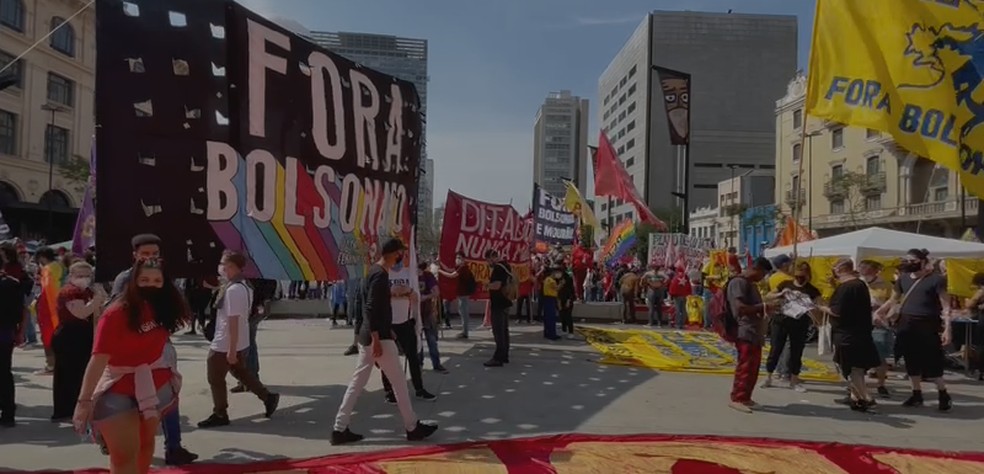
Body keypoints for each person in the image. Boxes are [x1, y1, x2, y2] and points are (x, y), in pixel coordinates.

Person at [72, 258, 188, 474]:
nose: (151, 284)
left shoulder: (165, 308)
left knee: (145, 445)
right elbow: (98, 359)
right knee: (124, 455)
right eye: (144, 279)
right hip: (117, 387)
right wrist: (84, 400)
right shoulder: (115, 314)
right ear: (133, 281)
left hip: (154, 386)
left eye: (156, 280)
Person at [331, 238, 438, 445]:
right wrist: (377, 338)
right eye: (400, 253)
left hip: (373, 336)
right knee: (398, 383)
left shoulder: (374, 271)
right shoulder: (380, 275)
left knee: (358, 383)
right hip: (377, 339)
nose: (401, 256)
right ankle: (412, 427)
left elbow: (375, 308)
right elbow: (370, 308)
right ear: (393, 253)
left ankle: (339, 428)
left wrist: (384, 330)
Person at [108, 234, 198, 465]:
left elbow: (177, 310)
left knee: (167, 397)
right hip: (132, 354)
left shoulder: (166, 278)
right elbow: (118, 317)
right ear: (135, 255)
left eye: (154, 254)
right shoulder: (125, 280)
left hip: (162, 348)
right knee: (131, 403)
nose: (150, 258)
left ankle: (174, 446)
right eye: (145, 254)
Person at [198, 251, 280, 428]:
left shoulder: (234, 290)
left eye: (223, 264)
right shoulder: (242, 285)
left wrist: (231, 350)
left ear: (232, 266)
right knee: (240, 372)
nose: (220, 267)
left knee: (215, 377)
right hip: (238, 341)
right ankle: (267, 397)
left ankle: (220, 413)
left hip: (226, 342)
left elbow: (233, 321)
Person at [876, 248, 952, 411]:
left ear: (923, 261)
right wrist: (880, 311)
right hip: (906, 323)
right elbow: (893, 299)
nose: (909, 263)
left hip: (927, 324)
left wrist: (947, 329)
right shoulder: (902, 279)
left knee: (932, 360)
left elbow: (946, 305)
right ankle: (916, 393)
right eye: (907, 260)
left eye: (913, 261)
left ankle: (943, 393)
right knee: (910, 359)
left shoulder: (936, 280)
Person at [824, 258, 882, 412]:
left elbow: (836, 311)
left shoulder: (847, 287)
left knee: (850, 368)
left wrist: (818, 307)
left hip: (847, 334)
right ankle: (856, 398)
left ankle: (865, 398)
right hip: (860, 332)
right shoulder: (860, 284)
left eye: (835, 267)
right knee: (857, 368)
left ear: (841, 269)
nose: (834, 270)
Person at [51, 262, 106, 421]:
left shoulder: (87, 291)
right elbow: (80, 313)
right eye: (80, 275)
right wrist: (97, 300)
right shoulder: (70, 292)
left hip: (82, 334)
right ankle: (67, 410)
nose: (84, 279)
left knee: (77, 373)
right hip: (69, 335)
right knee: (70, 375)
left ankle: (71, 409)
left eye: (87, 275)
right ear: (71, 276)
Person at [379, 254, 436, 403]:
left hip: (406, 321)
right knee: (389, 359)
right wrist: (397, 293)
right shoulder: (384, 274)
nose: (397, 262)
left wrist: (405, 292)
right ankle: (389, 392)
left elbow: (415, 295)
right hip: (388, 322)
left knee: (414, 358)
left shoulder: (408, 274)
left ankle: (419, 389)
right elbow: (381, 296)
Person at [762, 261, 820, 393]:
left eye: (802, 276)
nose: (799, 279)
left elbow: (818, 306)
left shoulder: (812, 290)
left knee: (796, 351)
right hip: (781, 320)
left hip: (800, 323)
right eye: (797, 276)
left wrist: (810, 304)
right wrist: (780, 294)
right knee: (775, 349)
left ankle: (794, 380)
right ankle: (768, 377)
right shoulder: (785, 284)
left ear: (808, 275)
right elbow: (768, 297)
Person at [726, 257, 774, 413]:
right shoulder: (739, 283)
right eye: (763, 274)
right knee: (745, 366)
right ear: (756, 269)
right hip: (744, 330)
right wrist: (764, 306)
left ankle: (746, 397)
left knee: (753, 367)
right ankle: (738, 398)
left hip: (754, 331)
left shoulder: (750, 284)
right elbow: (740, 308)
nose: (763, 278)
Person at [0, 243, 32, 427]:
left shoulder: (12, 283)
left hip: (5, 332)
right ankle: (8, 413)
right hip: (7, 334)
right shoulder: (13, 283)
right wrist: (20, 332)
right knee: (4, 373)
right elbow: (24, 310)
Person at [859, 260, 894, 398]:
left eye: (865, 267)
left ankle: (881, 384)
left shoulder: (886, 285)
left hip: (878, 324)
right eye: (861, 266)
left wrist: (888, 316)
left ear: (875, 270)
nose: (861, 269)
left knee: (880, 356)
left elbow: (895, 304)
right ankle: (859, 385)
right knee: (858, 356)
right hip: (859, 324)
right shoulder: (857, 283)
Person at [417, 263, 448, 374]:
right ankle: (419, 364)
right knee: (417, 341)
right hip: (415, 314)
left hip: (427, 312)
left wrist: (425, 297)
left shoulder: (428, 276)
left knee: (432, 340)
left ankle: (436, 363)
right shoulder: (409, 275)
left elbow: (436, 292)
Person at [438, 252, 477, 339]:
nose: (457, 259)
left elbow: (452, 275)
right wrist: (441, 264)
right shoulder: (460, 267)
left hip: (464, 294)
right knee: (462, 312)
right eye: (457, 257)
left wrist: (439, 271)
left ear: (463, 259)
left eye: (459, 258)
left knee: (464, 313)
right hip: (462, 294)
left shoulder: (463, 268)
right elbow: (450, 270)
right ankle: (464, 331)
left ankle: (465, 332)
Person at [485, 249, 512, 367]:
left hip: (499, 303)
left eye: (488, 260)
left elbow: (497, 285)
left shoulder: (498, 268)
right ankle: (505, 355)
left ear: (492, 257)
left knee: (498, 332)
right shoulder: (506, 265)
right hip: (506, 302)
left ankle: (498, 357)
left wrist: (487, 285)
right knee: (504, 331)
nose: (488, 263)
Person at [558, 265, 576, 338]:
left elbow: (571, 290)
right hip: (561, 298)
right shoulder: (558, 279)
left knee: (568, 315)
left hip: (568, 299)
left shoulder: (568, 278)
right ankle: (563, 329)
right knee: (562, 315)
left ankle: (571, 332)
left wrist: (569, 300)